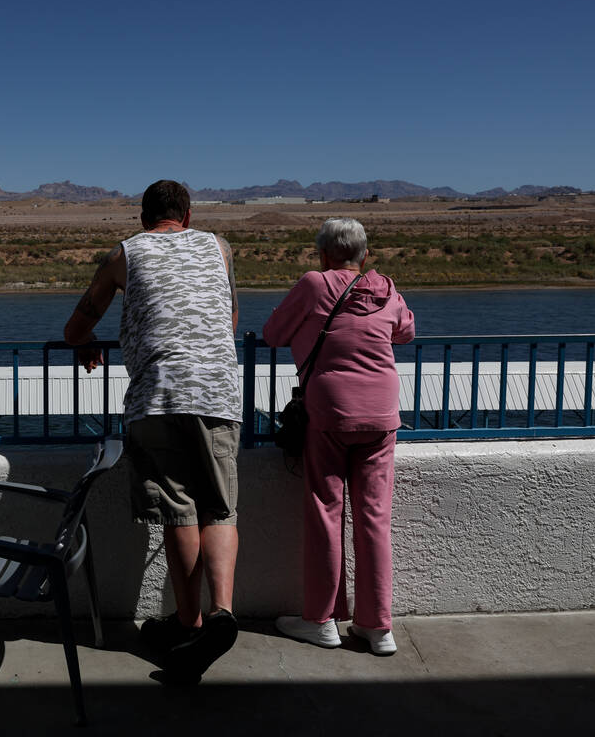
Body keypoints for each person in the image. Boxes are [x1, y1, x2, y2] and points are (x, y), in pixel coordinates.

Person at [63, 179, 242, 680]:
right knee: (220, 507)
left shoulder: (125, 253)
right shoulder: (219, 246)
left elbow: (77, 325)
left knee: (178, 509)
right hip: (219, 394)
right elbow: (228, 322)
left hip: (157, 397)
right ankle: (222, 615)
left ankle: (190, 624)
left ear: (143, 218)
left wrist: (86, 341)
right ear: (187, 215)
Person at [262, 217, 414, 656]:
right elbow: (406, 331)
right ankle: (377, 627)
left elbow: (272, 335)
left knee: (326, 513)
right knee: (374, 517)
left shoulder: (314, 283)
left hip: (329, 414)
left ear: (323, 253)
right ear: (364, 255)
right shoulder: (385, 287)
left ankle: (322, 620)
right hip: (382, 415)